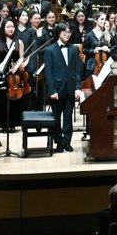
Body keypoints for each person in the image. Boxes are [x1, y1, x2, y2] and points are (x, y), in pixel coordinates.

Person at [44, 22, 85, 153]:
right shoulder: (49, 50)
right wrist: (52, 91)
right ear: (58, 33)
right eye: (64, 32)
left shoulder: (73, 49)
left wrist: (78, 87)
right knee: (56, 119)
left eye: (69, 32)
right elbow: (48, 73)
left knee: (68, 118)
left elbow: (77, 70)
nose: (67, 34)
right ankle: (59, 142)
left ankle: (67, 141)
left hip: (70, 88)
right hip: (56, 90)